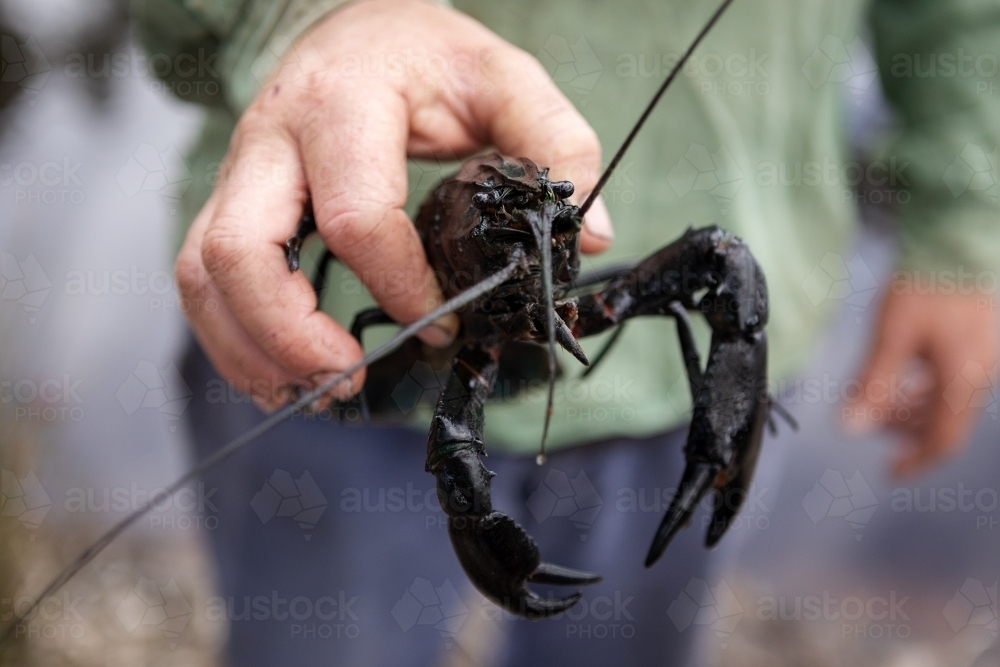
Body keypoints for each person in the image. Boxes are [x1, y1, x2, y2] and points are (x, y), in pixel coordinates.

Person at [136, 0, 999, 664]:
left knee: (723, 263)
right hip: (336, 360)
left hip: (684, 362)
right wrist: (304, 19)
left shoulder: (576, 260)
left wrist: (969, 224)